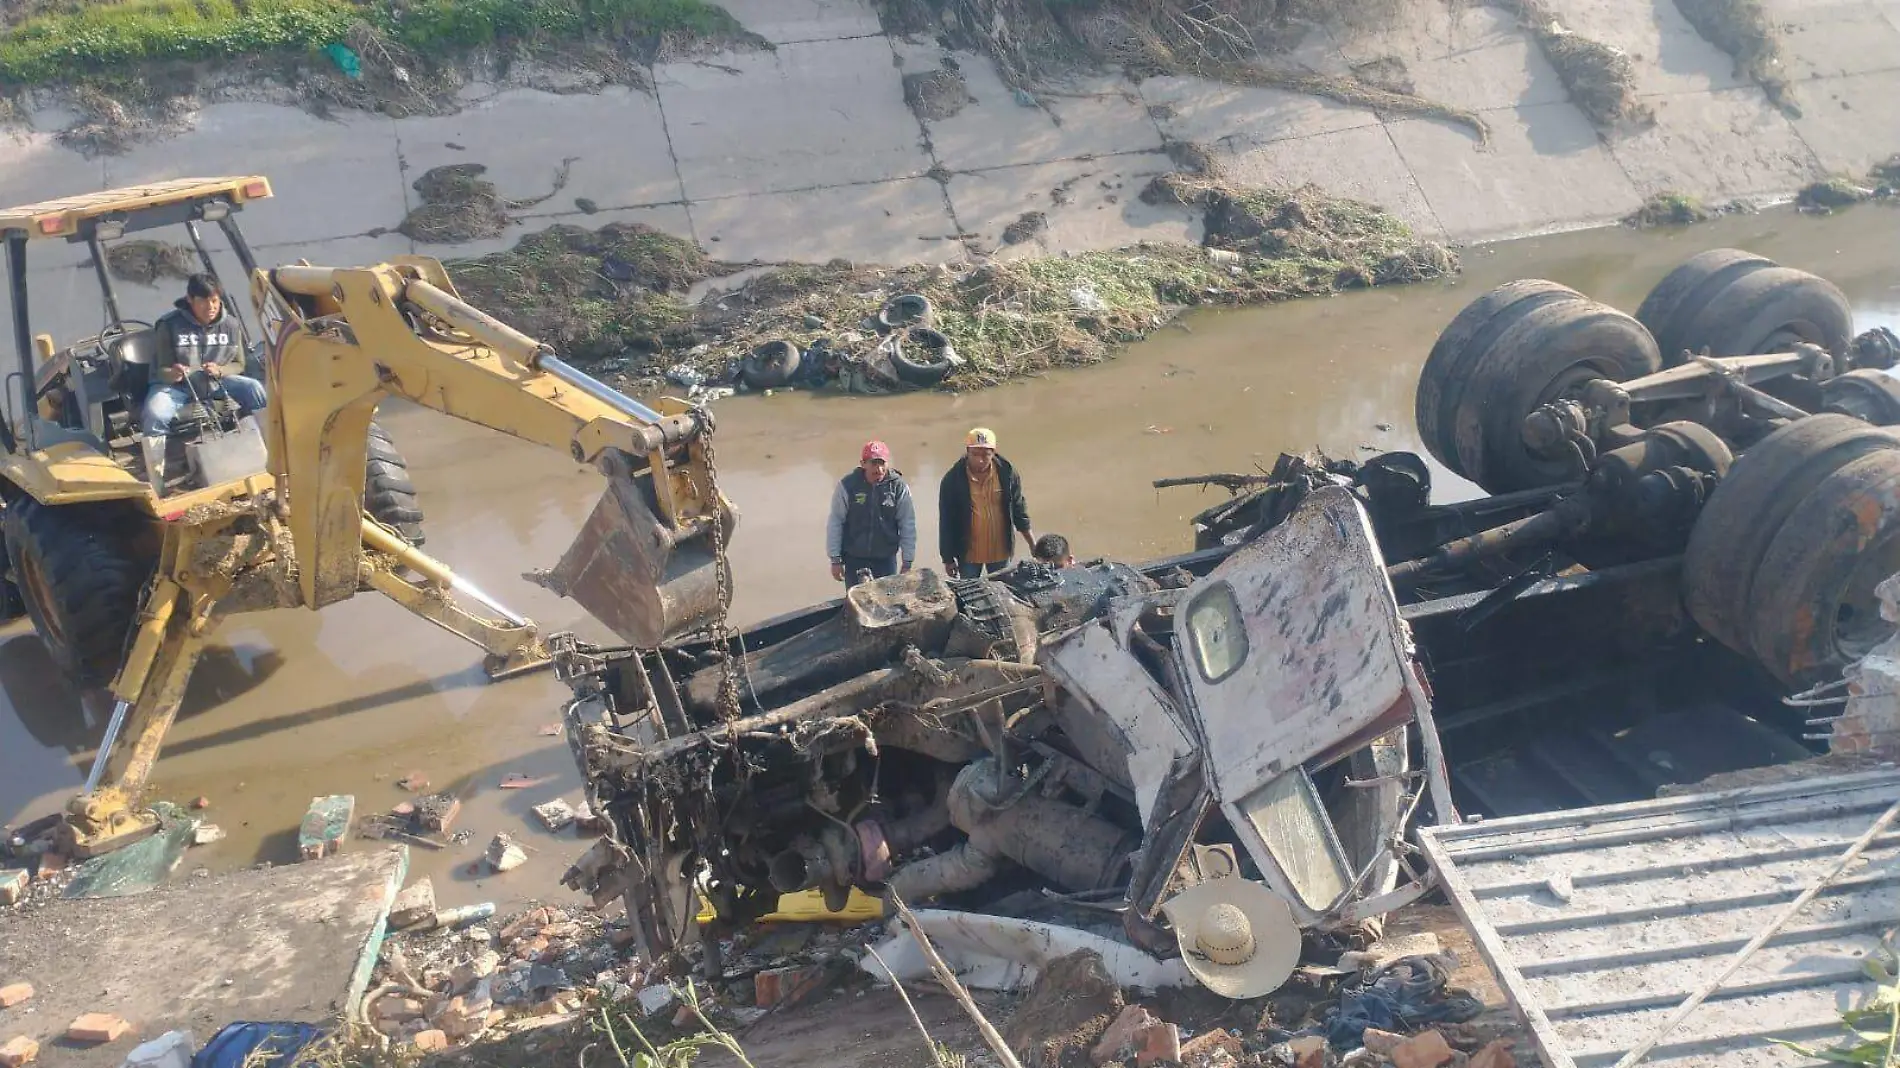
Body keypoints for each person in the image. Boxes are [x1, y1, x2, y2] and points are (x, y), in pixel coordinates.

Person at [142, 274, 268, 491]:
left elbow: (239, 364)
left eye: (215, 301)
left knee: (254, 388)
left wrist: (221, 370)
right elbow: (161, 370)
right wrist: (173, 373)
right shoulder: (169, 325)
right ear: (190, 299)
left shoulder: (231, 325)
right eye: (204, 301)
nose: (210, 307)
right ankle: (158, 483)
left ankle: (272, 458)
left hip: (217, 382)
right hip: (177, 387)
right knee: (155, 413)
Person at [939, 427, 1036, 579]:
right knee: (969, 595)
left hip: (1000, 552)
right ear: (967, 451)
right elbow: (946, 522)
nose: (980, 460)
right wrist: (948, 559)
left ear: (994, 452)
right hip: (968, 554)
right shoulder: (952, 480)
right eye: (975, 454)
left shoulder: (1007, 474)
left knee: (1003, 593)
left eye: (986, 455)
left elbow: (1019, 510)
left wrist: (1032, 544)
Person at [826, 440, 918, 588]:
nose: (879, 469)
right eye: (874, 463)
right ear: (863, 464)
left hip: (886, 561)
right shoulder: (847, 486)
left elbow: (907, 523)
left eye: (882, 463)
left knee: (887, 605)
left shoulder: (898, 487)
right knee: (858, 605)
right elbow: (836, 521)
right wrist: (835, 559)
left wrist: (907, 562)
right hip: (854, 559)